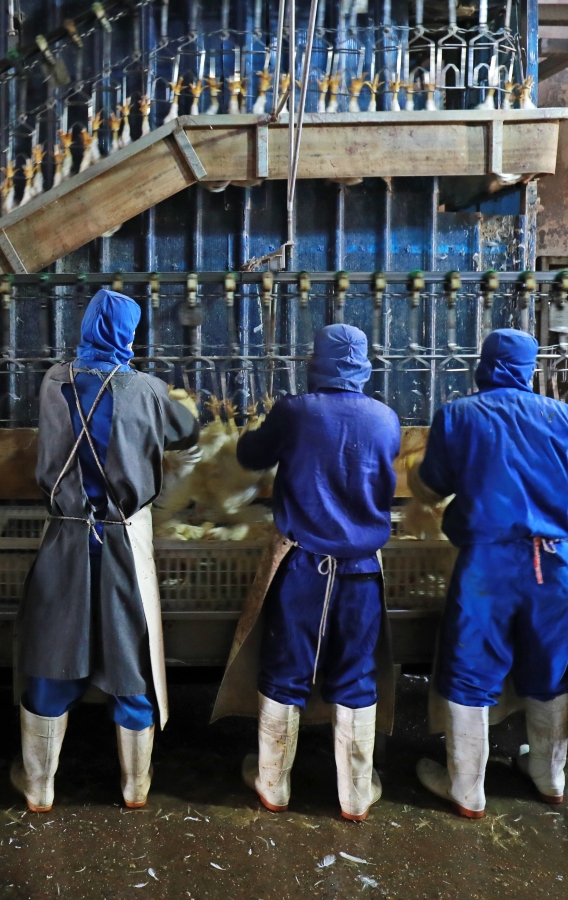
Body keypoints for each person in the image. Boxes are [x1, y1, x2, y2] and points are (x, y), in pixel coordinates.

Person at [408, 328, 568, 818]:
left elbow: (432, 486)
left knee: (470, 668)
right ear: (531, 369)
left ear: (483, 365)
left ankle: (466, 788)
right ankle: (550, 777)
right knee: (550, 667)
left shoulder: (459, 415)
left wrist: (415, 483)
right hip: (553, 561)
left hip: (487, 564)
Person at [12, 290, 200, 812]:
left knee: (52, 659)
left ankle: (39, 786)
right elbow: (189, 433)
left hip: (65, 540)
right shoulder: (147, 389)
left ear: (87, 326)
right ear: (130, 336)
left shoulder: (53, 381)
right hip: (121, 541)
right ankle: (134, 787)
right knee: (129, 660)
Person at [211, 324, 401, 821]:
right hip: (361, 570)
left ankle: (273, 785)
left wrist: (259, 427)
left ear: (315, 361)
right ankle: (356, 794)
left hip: (303, 568)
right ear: (363, 364)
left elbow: (250, 456)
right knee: (356, 672)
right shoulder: (385, 417)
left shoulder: (295, 411)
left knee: (286, 666)